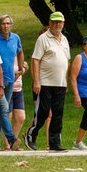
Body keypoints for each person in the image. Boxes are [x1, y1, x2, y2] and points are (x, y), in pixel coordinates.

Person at [26, 11, 71, 152]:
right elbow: (35, 60)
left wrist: (66, 80)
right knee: (43, 111)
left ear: (63, 24)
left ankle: (54, 143)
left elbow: (67, 61)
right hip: (45, 82)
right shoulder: (43, 39)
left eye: (60, 22)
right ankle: (31, 134)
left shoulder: (64, 39)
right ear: (50, 23)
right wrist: (36, 81)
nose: (57, 24)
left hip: (60, 83)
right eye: (55, 22)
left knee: (58, 113)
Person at [0, 15, 28, 150]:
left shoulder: (15, 38)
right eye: (3, 23)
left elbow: (20, 52)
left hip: (10, 80)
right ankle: (11, 141)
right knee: (4, 110)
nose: (6, 26)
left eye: (8, 23)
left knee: (2, 112)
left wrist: (20, 68)